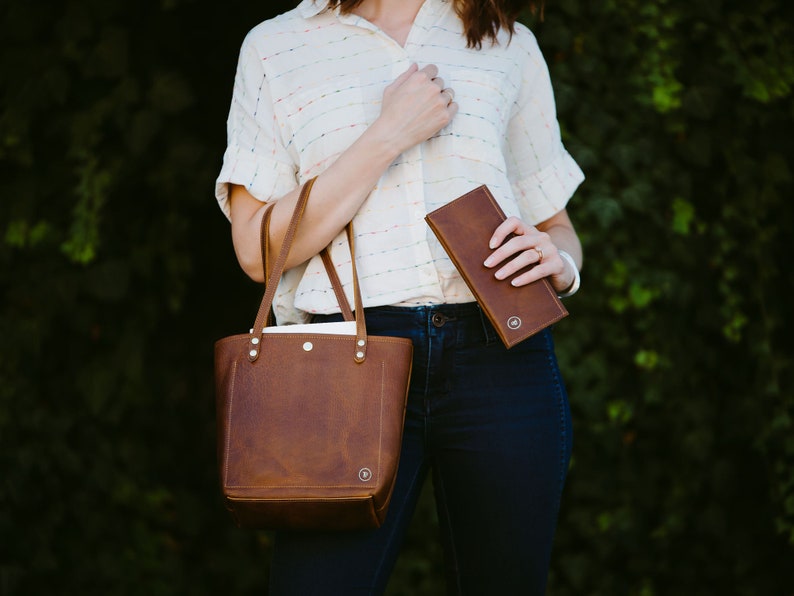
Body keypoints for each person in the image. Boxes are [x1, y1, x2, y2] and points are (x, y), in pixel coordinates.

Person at [215, 0, 584, 593]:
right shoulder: (276, 46)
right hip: (342, 362)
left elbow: (557, 223)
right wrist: (386, 135)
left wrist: (560, 261)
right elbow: (257, 252)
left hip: (501, 360)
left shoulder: (507, 44)